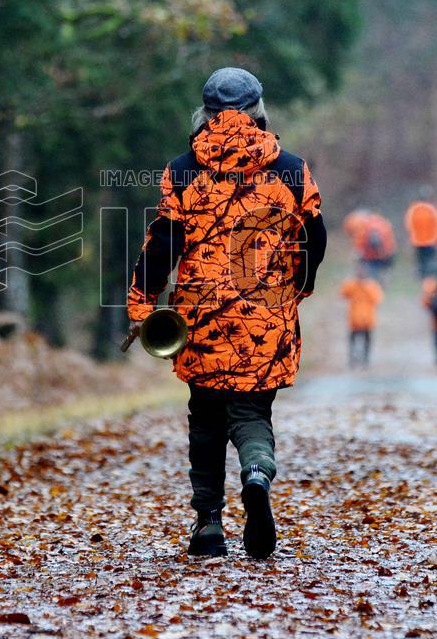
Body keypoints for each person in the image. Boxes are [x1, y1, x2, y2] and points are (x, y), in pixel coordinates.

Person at [127, 67, 326, 560]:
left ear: (205, 113)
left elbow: (163, 243)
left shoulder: (183, 169)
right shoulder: (292, 169)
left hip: (202, 319)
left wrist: (140, 306)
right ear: (258, 111)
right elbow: (315, 238)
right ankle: (257, 472)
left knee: (207, 416)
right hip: (267, 317)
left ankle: (209, 523)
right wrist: (296, 287)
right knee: (253, 411)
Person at [339, 266, 384, 367]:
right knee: (352, 340)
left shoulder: (372, 285)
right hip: (354, 318)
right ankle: (352, 360)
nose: (360, 273)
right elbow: (343, 294)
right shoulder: (352, 284)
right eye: (359, 271)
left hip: (367, 319)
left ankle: (365, 360)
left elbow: (378, 299)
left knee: (367, 340)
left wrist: (365, 286)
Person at [405, 195, 437, 278]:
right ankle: (433, 275)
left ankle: (422, 275)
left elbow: (408, 225)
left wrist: (412, 236)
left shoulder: (413, 209)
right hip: (431, 240)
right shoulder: (433, 210)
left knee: (421, 259)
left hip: (417, 240)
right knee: (432, 258)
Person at [349, 210, 397, 281]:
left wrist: (361, 254)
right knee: (379, 275)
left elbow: (375, 241)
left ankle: (376, 286)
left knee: (374, 278)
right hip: (387, 252)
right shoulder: (377, 221)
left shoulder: (368, 226)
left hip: (376, 256)